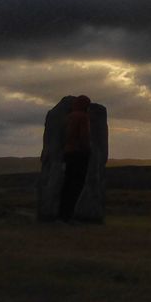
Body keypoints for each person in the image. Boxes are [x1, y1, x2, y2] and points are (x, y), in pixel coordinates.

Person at [59, 94, 93, 222]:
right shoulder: (83, 117)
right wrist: (88, 150)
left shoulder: (68, 117)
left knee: (67, 184)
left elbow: (63, 136)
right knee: (76, 185)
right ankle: (68, 215)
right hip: (78, 154)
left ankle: (62, 214)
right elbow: (84, 137)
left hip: (67, 153)